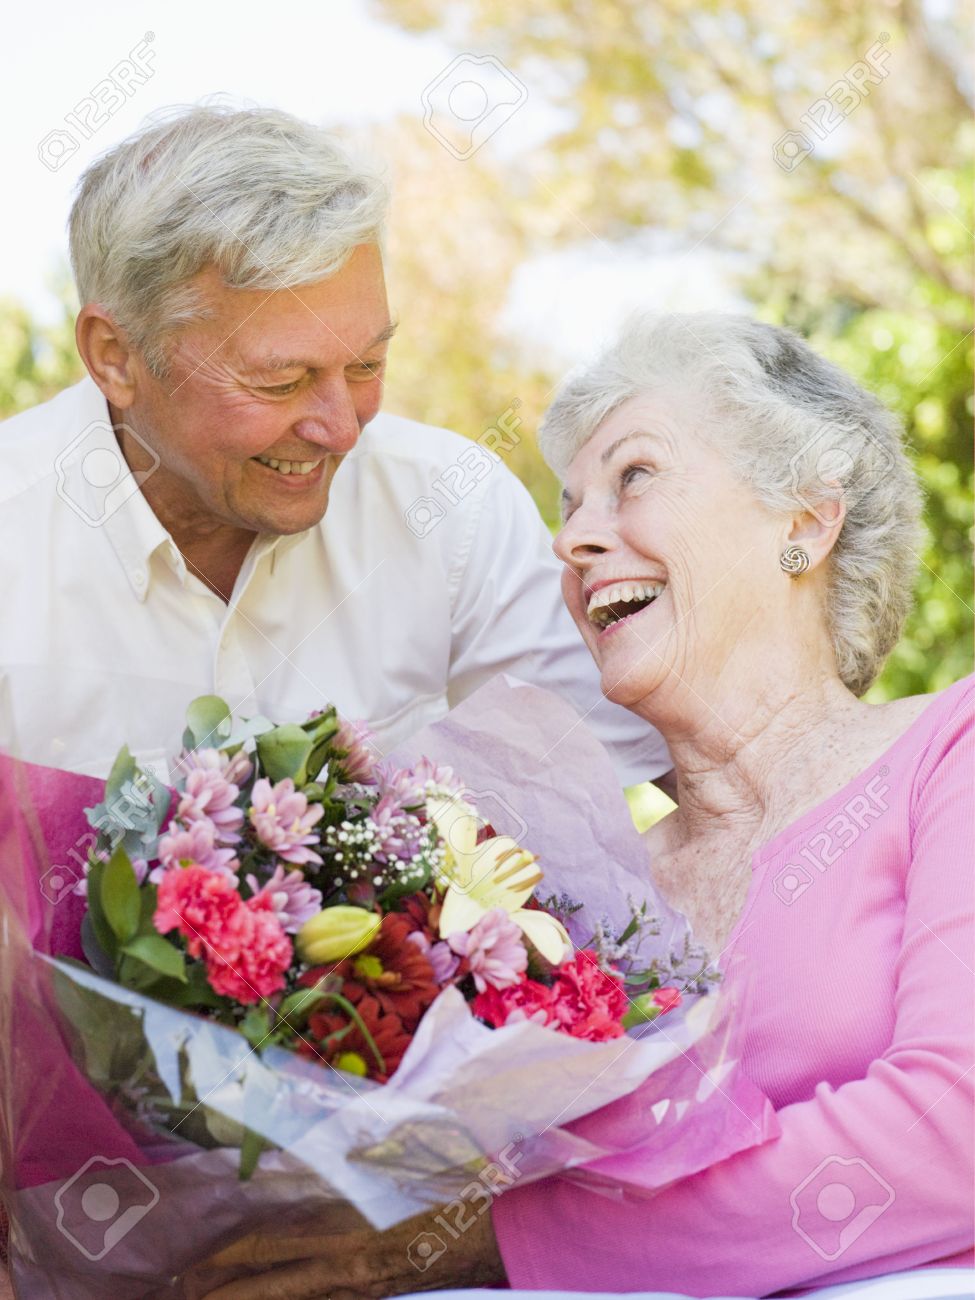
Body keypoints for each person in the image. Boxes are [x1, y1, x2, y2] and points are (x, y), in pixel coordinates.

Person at [187, 314, 972, 1298]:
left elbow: (955, 1133)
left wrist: (502, 1238)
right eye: (568, 504)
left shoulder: (954, 752)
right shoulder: (563, 902)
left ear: (806, 522)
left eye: (634, 477)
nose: (572, 538)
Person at [0, 104, 670, 791]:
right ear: (115, 357)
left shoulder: (454, 506)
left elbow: (626, 770)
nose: (343, 430)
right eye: (281, 381)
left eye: (365, 367)